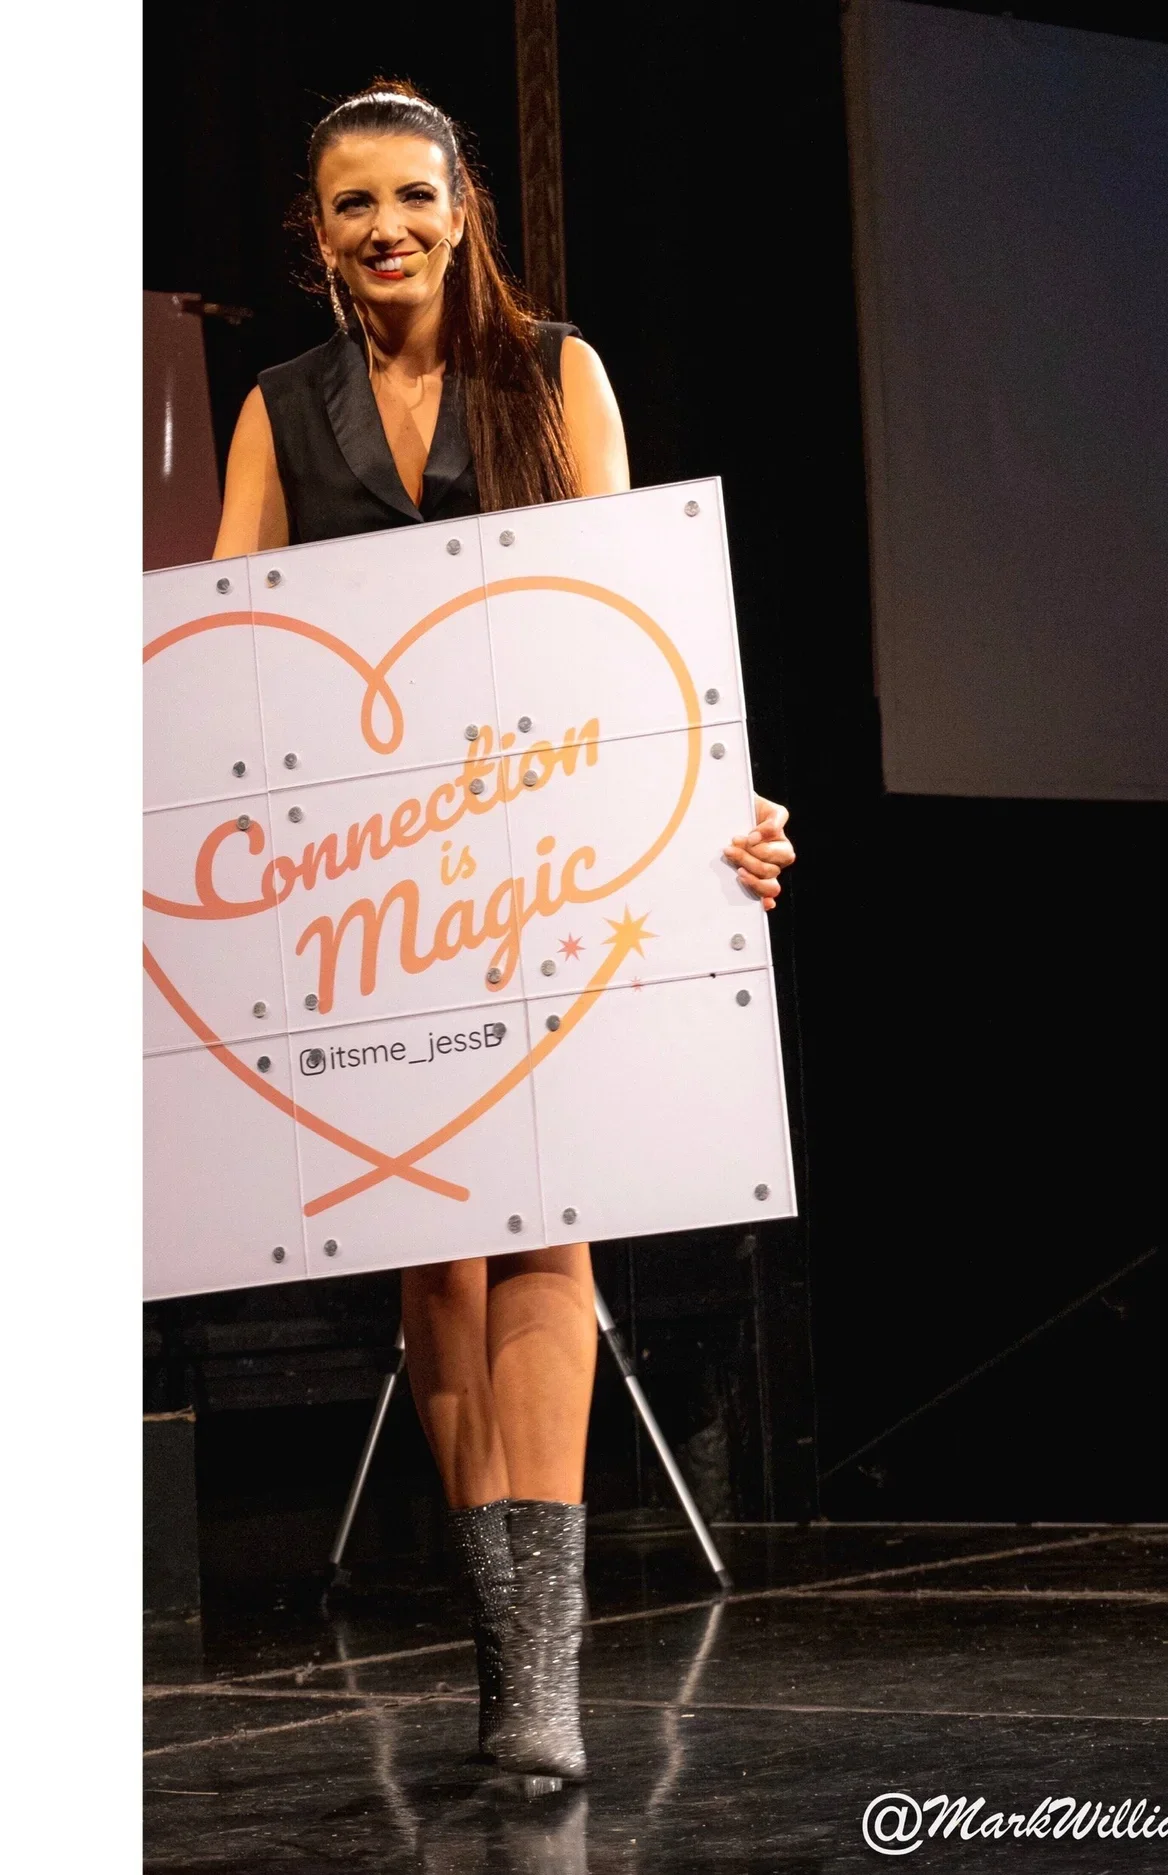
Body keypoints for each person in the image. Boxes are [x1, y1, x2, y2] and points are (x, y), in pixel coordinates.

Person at [211, 81, 795, 1780]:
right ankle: (499, 1652)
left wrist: (722, 805)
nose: (385, 228)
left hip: (541, 857)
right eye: (352, 206)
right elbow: (225, 664)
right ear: (318, 236)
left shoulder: (555, 374)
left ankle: (540, 1681)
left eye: (413, 196)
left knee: (546, 1233)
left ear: (464, 207)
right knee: (435, 1256)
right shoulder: (277, 409)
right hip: (372, 882)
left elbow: (634, 627)